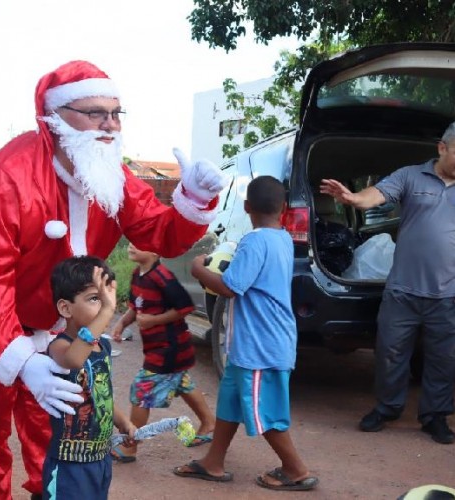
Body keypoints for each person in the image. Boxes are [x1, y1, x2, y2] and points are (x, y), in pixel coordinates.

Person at [0, 60, 227, 499]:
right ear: (55, 116)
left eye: (116, 113)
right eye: (95, 112)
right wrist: (24, 362)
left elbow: (158, 233)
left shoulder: (111, 174)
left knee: (55, 436)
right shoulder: (5, 176)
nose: (109, 124)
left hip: (55, 329)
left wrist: (196, 198)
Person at [173, 176, 319, 491]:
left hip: (260, 347)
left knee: (263, 411)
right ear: (283, 209)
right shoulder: (281, 237)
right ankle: (213, 462)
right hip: (253, 345)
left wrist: (199, 269)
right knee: (230, 403)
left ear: (246, 207)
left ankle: (295, 469)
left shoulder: (254, 241)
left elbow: (229, 287)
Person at [320, 122, 455, 445]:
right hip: (402, 290)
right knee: (391, 353)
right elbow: (376, 195)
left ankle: (435, 416)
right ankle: (387, 408)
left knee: (444, 359)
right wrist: (353, 198)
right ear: (442, 148)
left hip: (449, 294)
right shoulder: (410, 176)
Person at [110, 242, 215, 462]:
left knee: (142, 391)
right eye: (132, 241)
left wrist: (154, 320)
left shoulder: (163, 277)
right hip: (160, 348)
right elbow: (135, 305)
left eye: (141, 243)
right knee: (181, 382)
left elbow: (185, 307)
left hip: (169, 348)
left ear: (156, 251)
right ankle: (209, 422)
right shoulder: (138, 274)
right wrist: (121, 324)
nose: (132, 245)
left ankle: (131, 445)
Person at [44, 255, 135, 500]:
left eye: (107, 298)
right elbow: (74, 359)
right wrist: (107, 311)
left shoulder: (102, 346)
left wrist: (123, 422)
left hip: (99, 459)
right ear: (65, 308)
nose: (106, 305)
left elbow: (101, 395)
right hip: (69, 464)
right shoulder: (59, 346)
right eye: (95, 298)